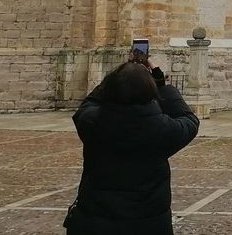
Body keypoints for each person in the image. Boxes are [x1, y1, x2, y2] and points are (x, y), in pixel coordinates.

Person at [65, 57, 200, 234]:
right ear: (151, 92)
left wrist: (116, 78)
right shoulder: (162, 129)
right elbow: (189, 119)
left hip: (95, 221)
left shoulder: (93, 122)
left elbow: (89, 103)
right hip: (147, 223)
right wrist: (162, 85)